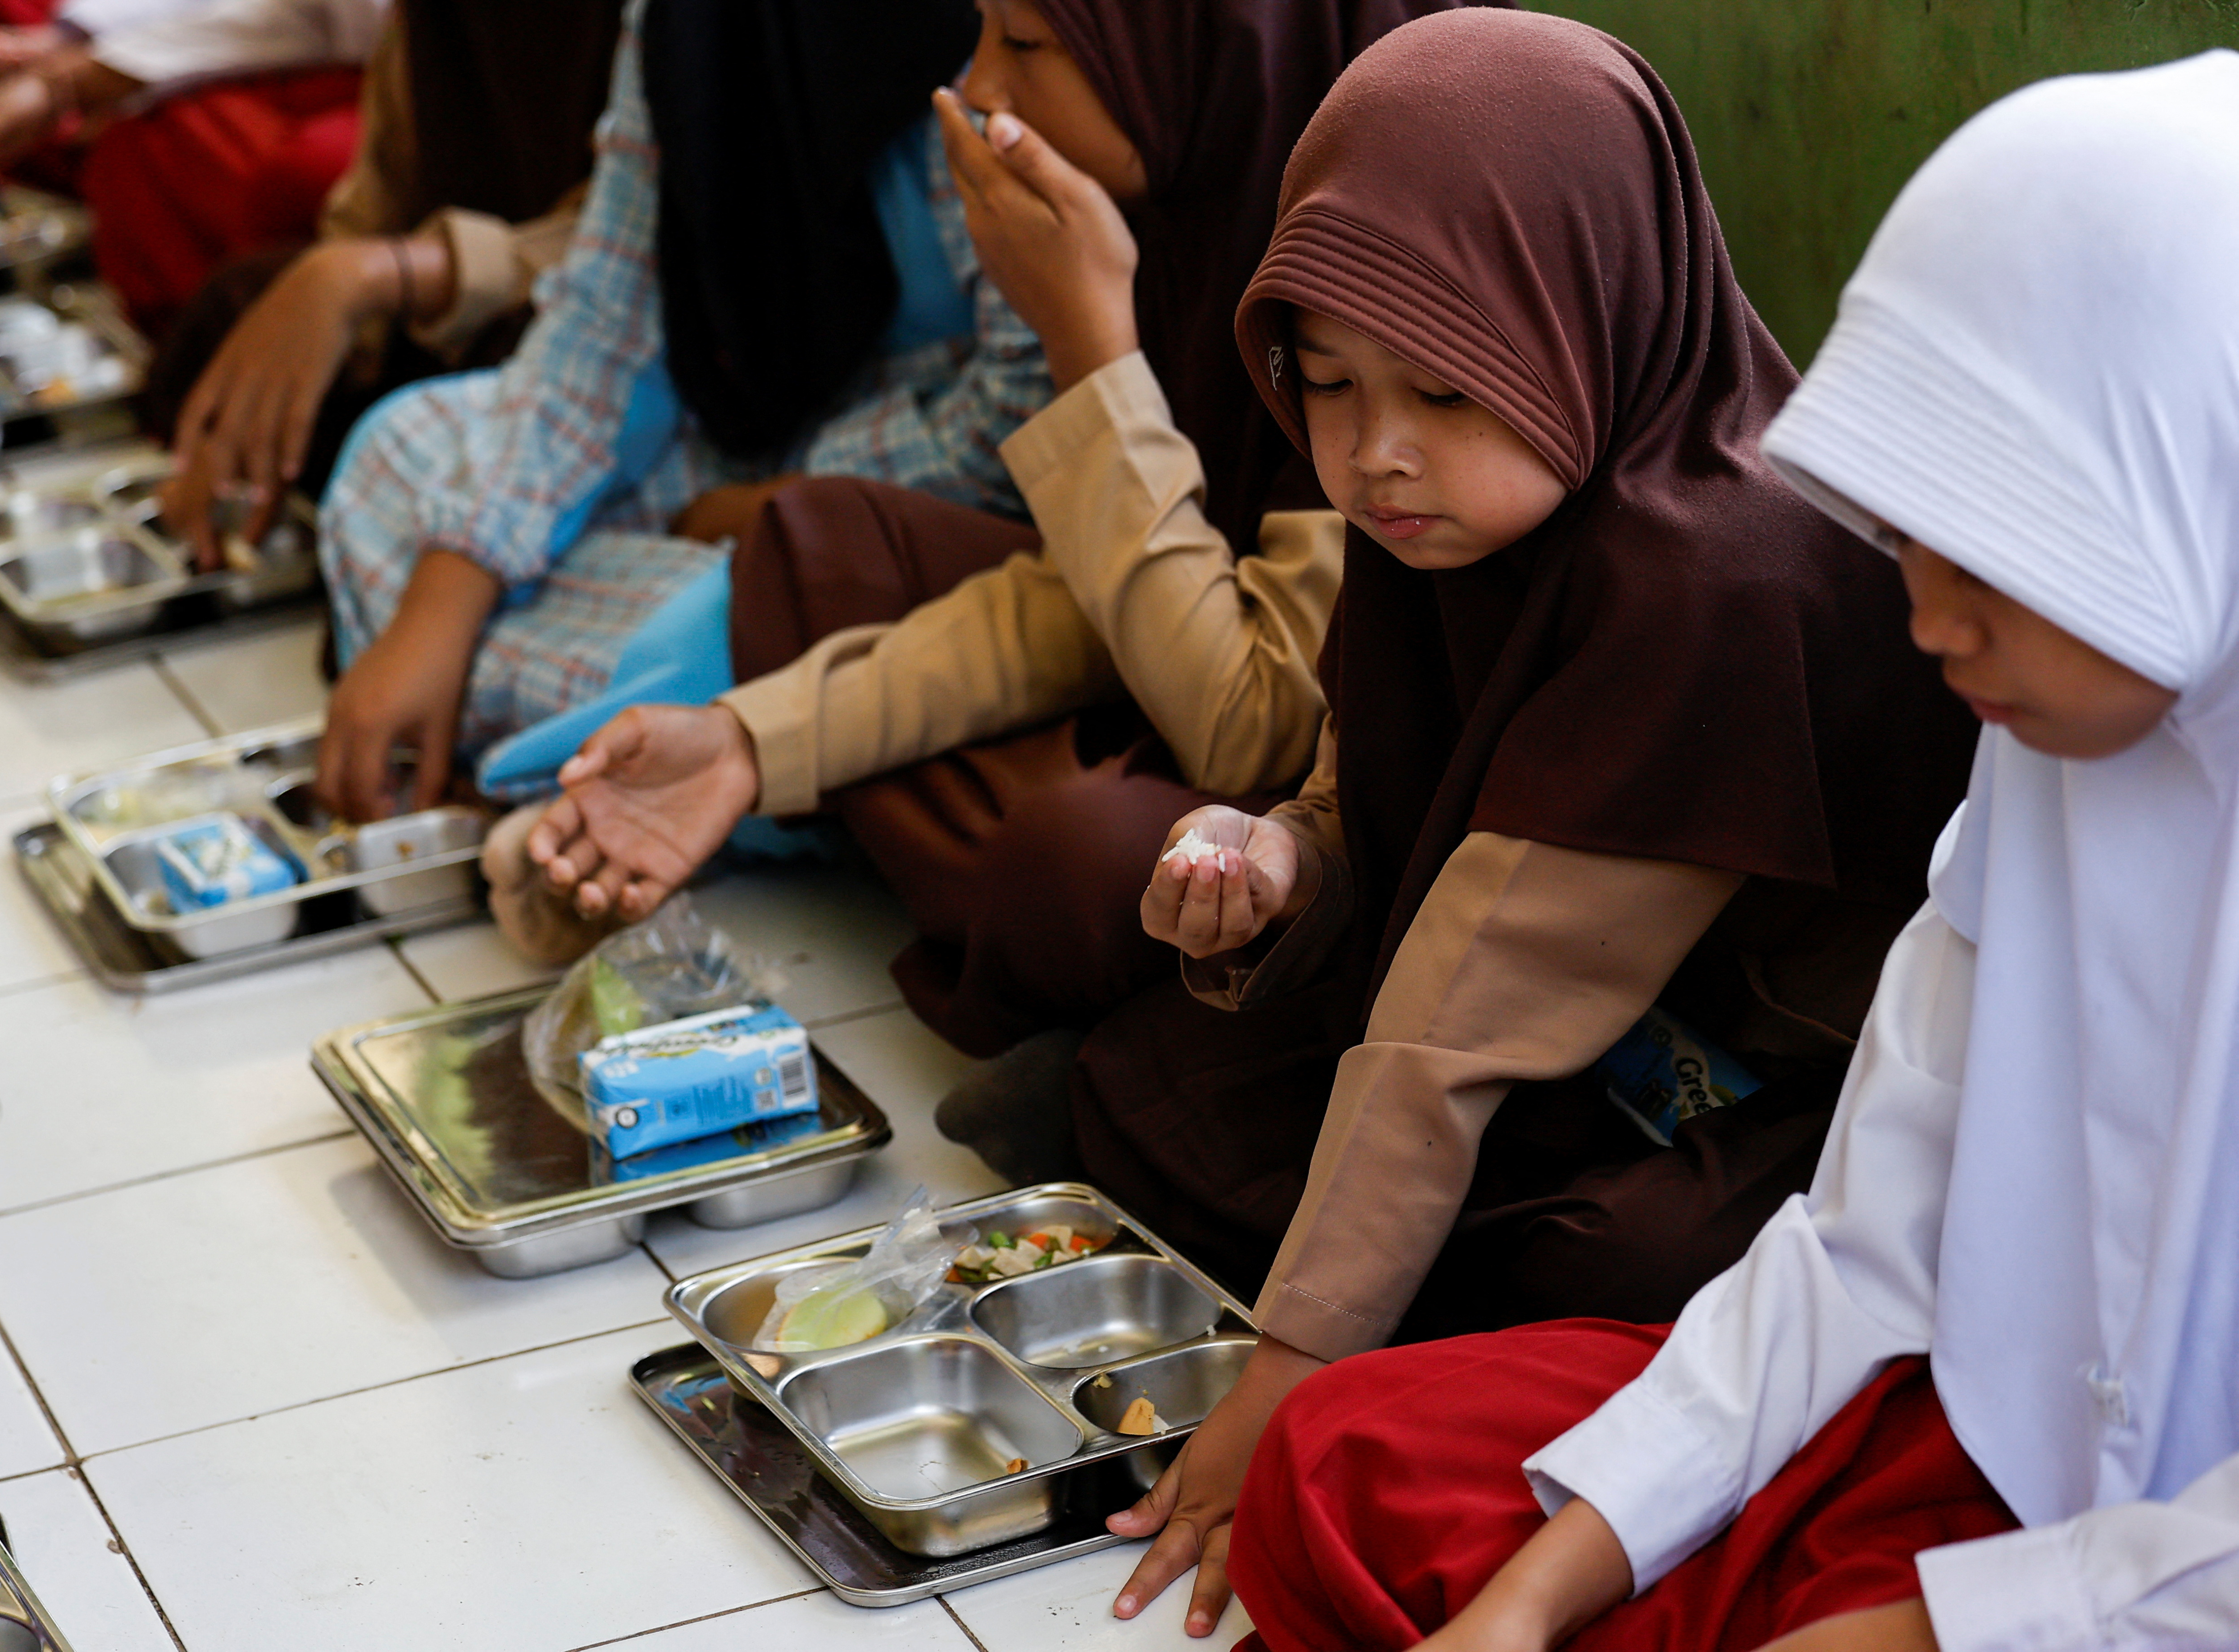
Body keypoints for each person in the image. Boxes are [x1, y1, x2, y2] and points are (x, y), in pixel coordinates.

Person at [1225, 47, 2239, 1652]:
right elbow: (1863, 1237)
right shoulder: (2057, 734)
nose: (1924, 621)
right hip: (1980, 1437)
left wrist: (1925, 1632)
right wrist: (1540, 1589)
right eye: (1906, 540)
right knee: (1346, 1461)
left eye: (1998, 554)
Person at [1097, 10, 1980, 1630]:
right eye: (1329, 381)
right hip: (1585, 1037)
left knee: (1584, 1262)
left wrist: (1280, 1377)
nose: (1372, 454)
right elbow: (1399, 807)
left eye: (1445, 386)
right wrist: (1292, 858)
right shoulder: (1445, 513)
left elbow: (1459, 1027)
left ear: (1592, 321)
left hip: (1790, 1092)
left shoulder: (1720, 585)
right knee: (1130, 996)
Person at [500, 0, 1475, 1068]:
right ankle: (1086, 981)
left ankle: (1142, 1009)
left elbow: (1245, 724)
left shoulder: (1374, 279)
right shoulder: (1193, 208)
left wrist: (1089, 347)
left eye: (1023, 43)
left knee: (1088, 862)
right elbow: (1083, 598)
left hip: (1301, 780)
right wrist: (746, 741)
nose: (975, 91)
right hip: (1180, 652)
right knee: (816, 543)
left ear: (1181, 45)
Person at [309, 0, 1051, 825]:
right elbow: (608, 318)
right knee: (396, 453)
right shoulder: (686, 18)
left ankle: (646, 754)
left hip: (917, 522)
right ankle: (621, 758)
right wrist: (448, 593)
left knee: (725, 636)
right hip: (733, 443)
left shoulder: (998, 46)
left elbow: (1015, 424)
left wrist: (771, 509)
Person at [147, 0, 625, 560]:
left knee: (444, 431)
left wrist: (372, 276)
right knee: (237, 308)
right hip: (441, 293)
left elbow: (638, 238)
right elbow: (390, 162)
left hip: (599, 317)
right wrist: (339, 313)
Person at [0, 0, 384, 340]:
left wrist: (79, 75)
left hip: (367, 75)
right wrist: (73, 57)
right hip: (291, 32)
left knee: (274, 166)